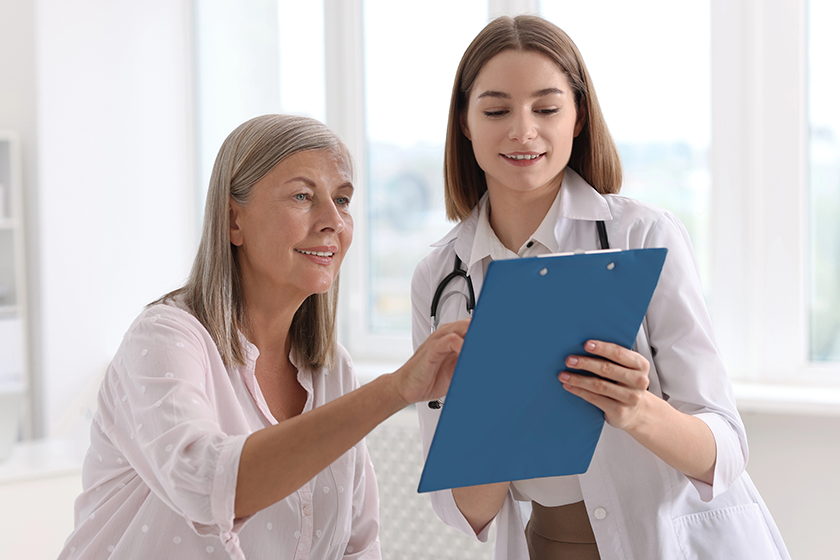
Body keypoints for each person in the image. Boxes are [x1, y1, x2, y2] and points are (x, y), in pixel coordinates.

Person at [411, 15, 790, 560]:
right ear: (466, 122)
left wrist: (636, 410)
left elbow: (724, 452)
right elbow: (464, 510)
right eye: (496, 110)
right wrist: (492, 410)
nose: (522, 131)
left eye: (546, 108)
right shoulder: (441, 276)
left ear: (579, 118)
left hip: (675, 542)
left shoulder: (643, 235)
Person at [58, 114, 468, 560]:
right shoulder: (163, 339)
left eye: (343, 199)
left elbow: (357, 545)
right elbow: (206, 485)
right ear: (234, 221)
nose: (333, 220)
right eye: (302, 196)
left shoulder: (333, 369)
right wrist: (392, 391)